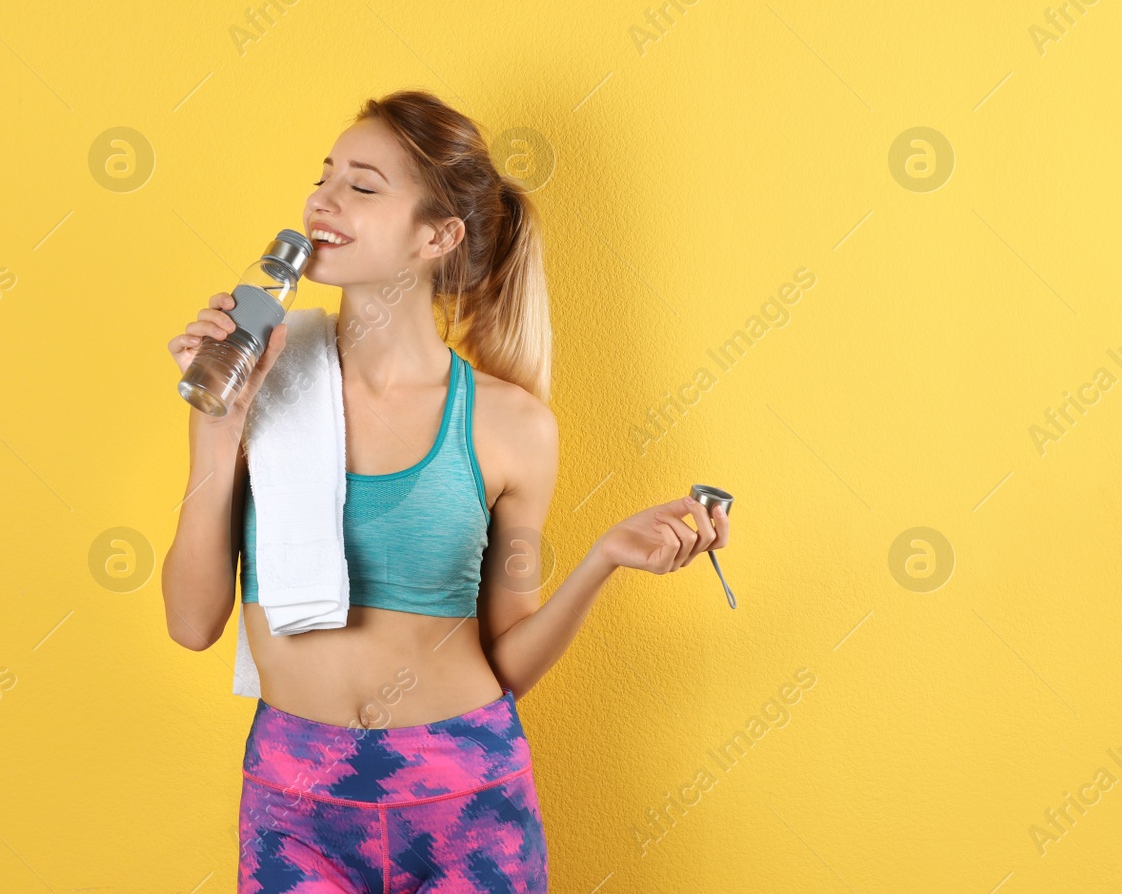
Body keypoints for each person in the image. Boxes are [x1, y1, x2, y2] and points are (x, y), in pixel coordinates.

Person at [163, 89, 729, 892]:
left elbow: (507, 661)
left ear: (438, 234)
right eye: (324, 175)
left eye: (362, 185)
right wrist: (217, 426)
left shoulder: (512, 427)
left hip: (469, 798)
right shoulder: (262, 387)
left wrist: (603, 557)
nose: (322, 199)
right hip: (295, 799)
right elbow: (191, 623)